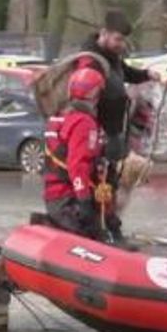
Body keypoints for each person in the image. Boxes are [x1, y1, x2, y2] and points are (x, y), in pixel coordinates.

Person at [73, 11, 161, 190]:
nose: (121, 45)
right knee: (104, 187)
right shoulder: (90, 61)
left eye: (123, 40)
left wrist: (146, 75)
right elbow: (84, 100)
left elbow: (124, 71)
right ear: (104, 33)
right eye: (118, 39)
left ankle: (108, 213)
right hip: (99, 136)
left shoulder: (110, 55)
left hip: (115, 132)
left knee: (114, 186)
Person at [43, 68, 118, 240]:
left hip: (56, 198)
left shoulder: (62, 116)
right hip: (68, 200)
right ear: (94, 93)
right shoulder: (84, 123)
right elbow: (78, 164)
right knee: (98, 238)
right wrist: (83, 199)